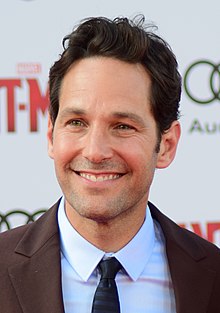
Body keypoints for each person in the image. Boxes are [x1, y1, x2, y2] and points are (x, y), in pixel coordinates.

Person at [0, 15, 220, 313]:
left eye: (123, 126)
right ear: (52, 135)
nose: (95, 152)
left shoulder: (212, 277)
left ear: (166, 145)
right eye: (77, 122)